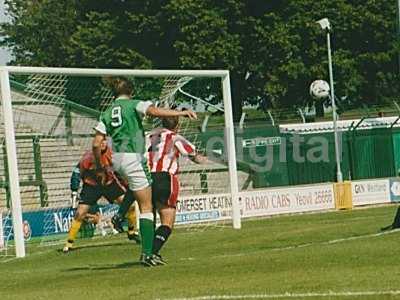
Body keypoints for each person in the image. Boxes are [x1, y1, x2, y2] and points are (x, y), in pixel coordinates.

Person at [93, 76, 196, 266]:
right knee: (147, 207)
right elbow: (153, 111)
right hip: (133, 156)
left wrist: (100, 167)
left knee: (140, 189)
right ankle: (147, 254)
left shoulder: (106, 113)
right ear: (130, 92)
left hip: (117, 159)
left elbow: (96, 143)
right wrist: (180, 114)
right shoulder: (133, 104)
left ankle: (121, 215)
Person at [147, 115, 207, 264]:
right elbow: (194, 156)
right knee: (167, 222)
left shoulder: (149, 136)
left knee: (149, 218)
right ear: (177, 125)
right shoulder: (175, 137)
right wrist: (207, 159)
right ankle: (152, 253)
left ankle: (147, 252)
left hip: (146, 179)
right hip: (165, 178)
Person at [63, 140, 139, 253]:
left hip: (109, 184)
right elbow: (76, 172)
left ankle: (132, 232)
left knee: (130, 205)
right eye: (100, 141)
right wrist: (74, 190)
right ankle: (69, 243)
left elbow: (120, 171)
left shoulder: (113, 155)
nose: (102, 143)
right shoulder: (88, 157)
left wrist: (127, 185)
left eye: (104, 140)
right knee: (80, 213)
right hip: (91, 186)